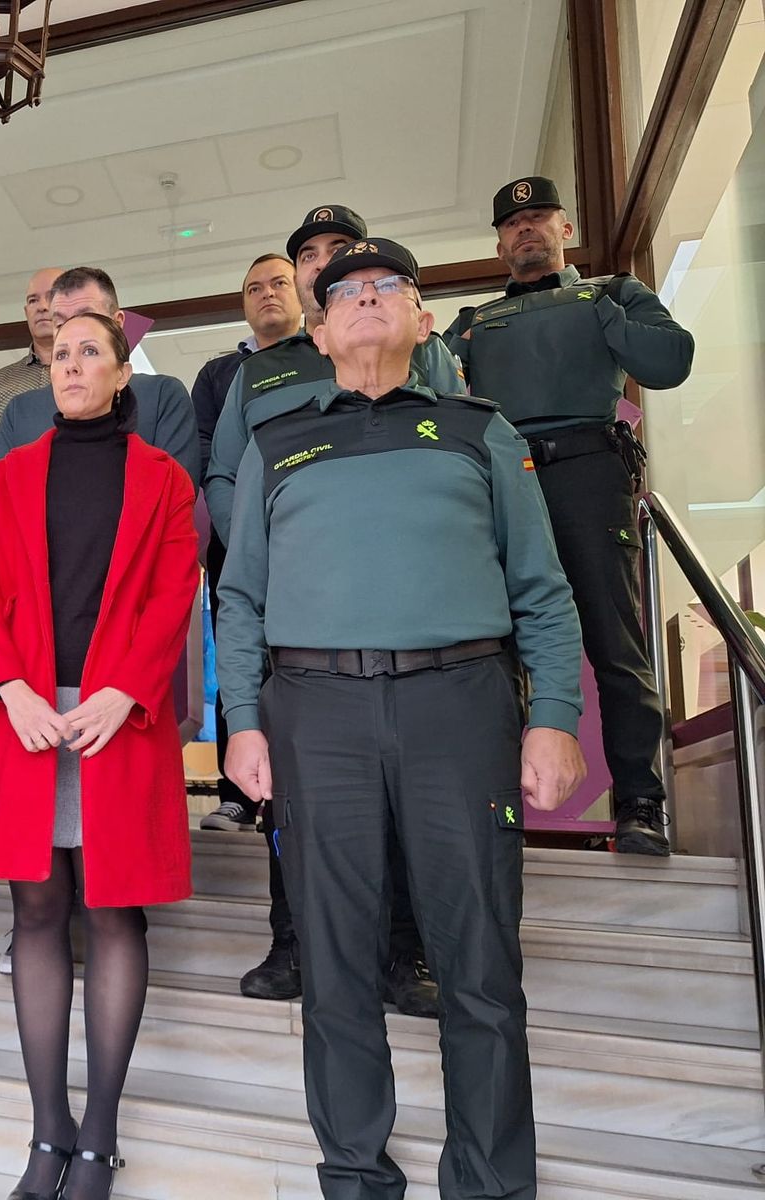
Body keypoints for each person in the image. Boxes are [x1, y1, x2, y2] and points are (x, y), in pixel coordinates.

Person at [219, 238, 586, 1200]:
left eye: (390, 288)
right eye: (347, 292)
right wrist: (243, 721)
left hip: (457, 708)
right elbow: (243, 599)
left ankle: (492, 1182)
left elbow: (542, 588)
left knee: (479, 964)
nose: (368, 300)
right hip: (315, 716)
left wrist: (552, 714)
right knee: (335, 963)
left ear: (424, 320)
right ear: (321, 328)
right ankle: (354, 1173)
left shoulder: (479, 430)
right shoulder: (276, 440)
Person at [0, 312, 200, 1200]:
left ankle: (98, 1134)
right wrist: (10, 688)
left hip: (114, 715)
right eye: (59, 353)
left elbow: (177, 592)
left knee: (111, 913)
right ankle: (47, 1132)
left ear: (121, 371)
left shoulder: (164, 477)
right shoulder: (13, 475)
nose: (70, 364)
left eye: (88, 351)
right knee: (35, 911)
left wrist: (128, 688)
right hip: (27, 712)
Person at [202, 205, 455, 1014]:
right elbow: (225, 479)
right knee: (293, 788)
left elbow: (460, 451)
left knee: (402, 795)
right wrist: (256, 556)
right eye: (306, 254)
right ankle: (295, 942)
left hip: (407, 619)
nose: (320, 265)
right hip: (296, 618)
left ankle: (404, 952)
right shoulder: (260, 372)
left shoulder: (421, 354)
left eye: (337, 252)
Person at [445, 176, 696, 856]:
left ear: (566, 226)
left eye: (539, 216)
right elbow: (431, 394)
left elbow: (671, 360)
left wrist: (593, 306)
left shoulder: (614, 293)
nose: (526, 228)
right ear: (499, 242)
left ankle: (641, 804)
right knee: (493, 649)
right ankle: (500, 804)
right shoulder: (472, 322)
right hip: (503, 481)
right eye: (513, 222)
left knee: (616, 645)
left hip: (589, 471)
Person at [193, 254, 302, 833]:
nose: (267, 295)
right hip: (237, 544)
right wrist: (243, 541)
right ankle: (236, 794)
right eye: (254, 288)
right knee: (237, 663)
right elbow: (212, 458)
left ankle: (294, 788)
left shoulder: (322, 356)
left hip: (311, 546)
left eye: (278, 283)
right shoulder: (218, 375)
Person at [0, 267, 199, 483]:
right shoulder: (20, 411)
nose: (74, 330)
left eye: (87, 317)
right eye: (61, 323)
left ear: (117, 323)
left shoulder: (163, 397)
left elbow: (177, 495)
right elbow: (0, 504)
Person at [0, 267, 61, 496]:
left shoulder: (89, 375)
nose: (42, 306)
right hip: (12, 513)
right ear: (26, 311)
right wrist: (0, 502)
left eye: (51, 297)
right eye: (33, 300)